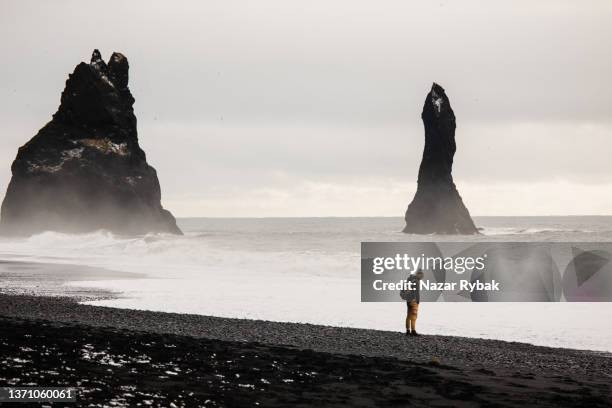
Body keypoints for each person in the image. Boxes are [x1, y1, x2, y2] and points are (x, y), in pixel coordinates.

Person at [401, 270, 424, 336]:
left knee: (408, 315)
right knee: (414, 316)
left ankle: (408, 331)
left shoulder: (409, 280)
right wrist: (417, 301)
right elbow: (416, 292)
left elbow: (407, 289)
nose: (422, 276)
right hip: (413, 300)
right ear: (418, 274)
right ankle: (413, 331)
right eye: (421, 275)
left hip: (408, 300)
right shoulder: (416, 281)